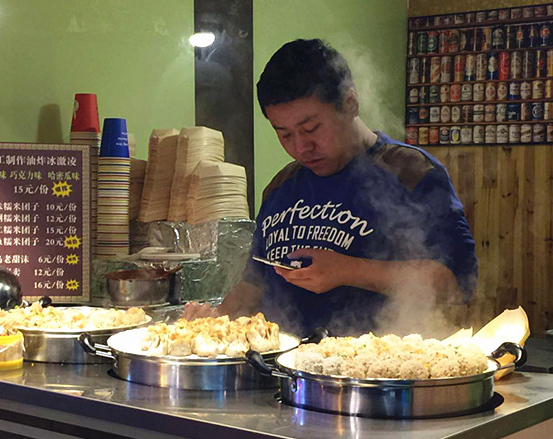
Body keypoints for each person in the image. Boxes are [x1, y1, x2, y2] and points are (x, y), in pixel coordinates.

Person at [186, 38, 477, 337]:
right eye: (284, 134)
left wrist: (347, 270)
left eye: (311, 129)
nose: (301, 147)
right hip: (281, 367)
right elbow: (255, 282)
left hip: (370, 369)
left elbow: (456, 282)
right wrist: (218, 315)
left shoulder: (411, 171)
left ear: (350, 103)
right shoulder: (281, 186)